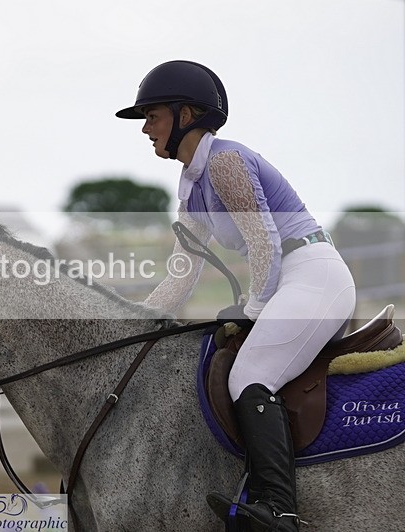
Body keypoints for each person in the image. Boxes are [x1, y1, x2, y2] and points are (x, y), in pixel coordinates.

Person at [116, 60, 356, 531]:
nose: (145, 128)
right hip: (288, 278)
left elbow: (264, 242)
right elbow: (182, 275)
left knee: (248, 374)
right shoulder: (191, 189)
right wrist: (131, 322)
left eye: (153, 115)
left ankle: (281, 510)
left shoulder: (224, 162)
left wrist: (254, 310)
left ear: (188, 114)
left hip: (312, 274)